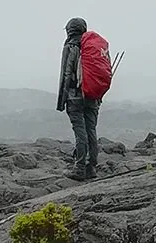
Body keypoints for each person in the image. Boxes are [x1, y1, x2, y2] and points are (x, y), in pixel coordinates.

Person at [56, 17, 108, 180]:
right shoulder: (93, 47)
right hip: (93, 96)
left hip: (75, 96)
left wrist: (61, 100)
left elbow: (66, 74)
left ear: (69, 30)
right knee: (91, 130)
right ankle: (91, 167)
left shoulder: (71, 46)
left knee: (80, 131)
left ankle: (79, 168)